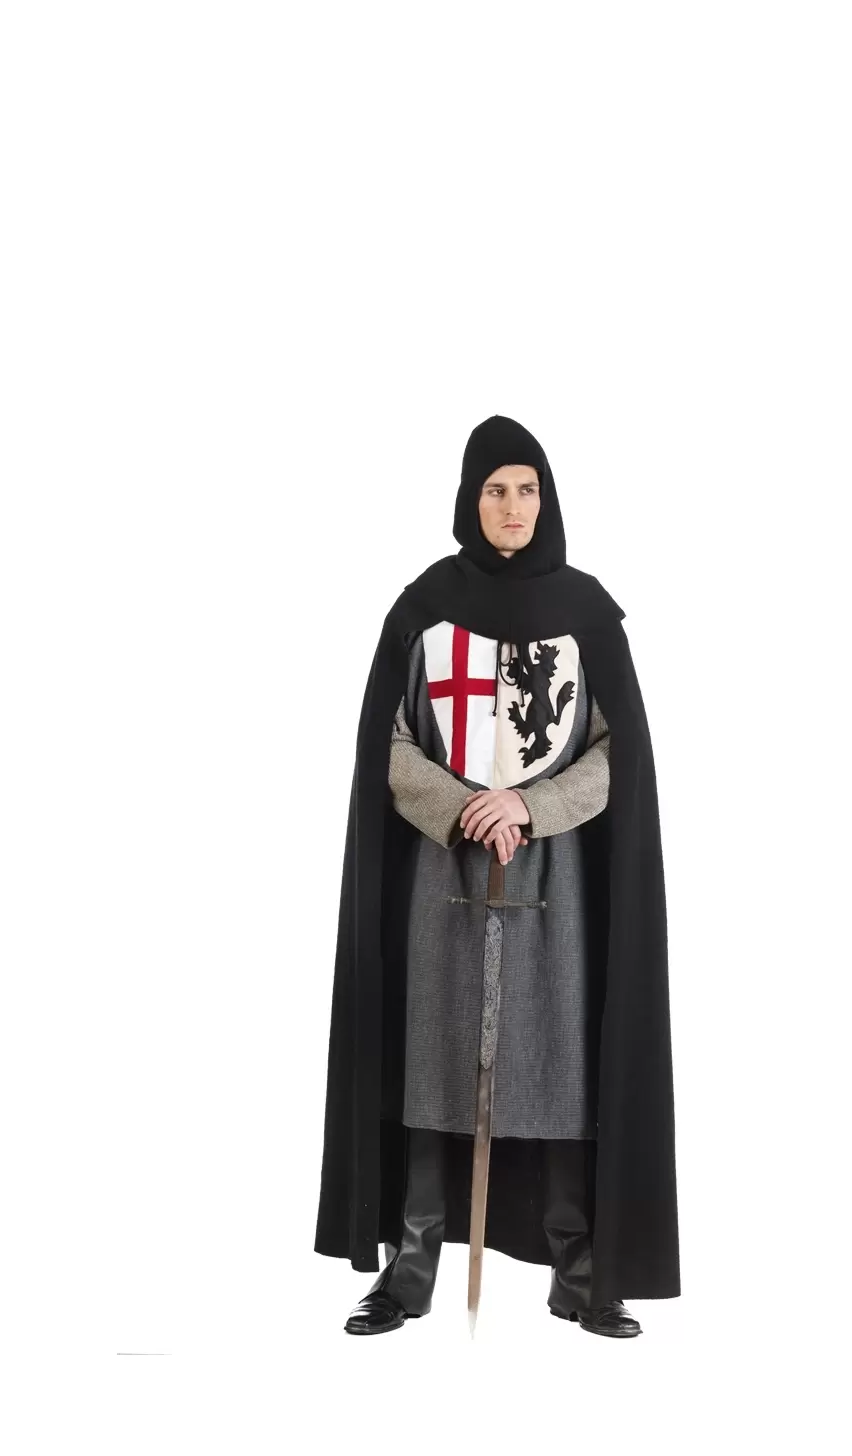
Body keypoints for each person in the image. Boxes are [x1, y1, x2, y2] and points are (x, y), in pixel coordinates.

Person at [314, 415, 679, 1337]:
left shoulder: (588, 615)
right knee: (432, 1064)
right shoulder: (424, 610)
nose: (512, 507)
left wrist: (528, 805)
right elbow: (388, 744)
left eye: (526, 490)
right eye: (494, 490)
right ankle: (409, 1271)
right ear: (469, 500)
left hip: (558, 875)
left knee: (561, 1065)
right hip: (443, 868)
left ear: (545, 502)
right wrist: (459, 805)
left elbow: (615, 756)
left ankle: (577, 1270)